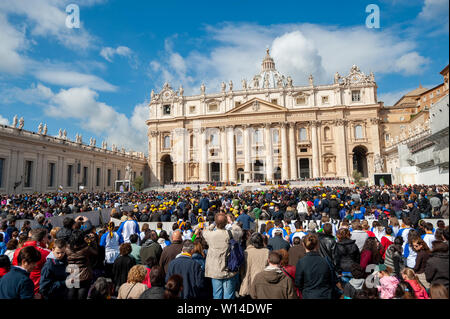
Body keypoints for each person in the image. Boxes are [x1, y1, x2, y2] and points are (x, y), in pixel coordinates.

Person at [203, 212, 243, 299]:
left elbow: (205, 231)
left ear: (216, 222)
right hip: (229, 269)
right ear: (226, 223)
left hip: (215, 270)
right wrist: (231, 222)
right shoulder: (231, 233)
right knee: (228, 296)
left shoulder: (210, 235)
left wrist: (213, 224)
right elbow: (240, 232)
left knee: (217, 295)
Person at [12, 228, 51, 296]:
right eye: (47, 237)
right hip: (38, 289)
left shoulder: (17, 251)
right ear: (43, 238)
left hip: (18, 286)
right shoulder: (46, 253)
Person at [294, 233, 334, 299]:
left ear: (303, 245)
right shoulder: (325, 261)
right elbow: (331, 280)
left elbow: (298, 283)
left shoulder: (301, 262)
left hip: (309, 294)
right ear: (317, 245)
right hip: (324, 294)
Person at [65, 230, 98, 300]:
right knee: (82, 294)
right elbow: (95, 252)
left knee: (71, 292)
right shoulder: (86, 248)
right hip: (84, 275)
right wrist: (92, 241)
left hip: (71, 273)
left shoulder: (67, 248)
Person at [239, 232, 269, 297]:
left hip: (248, 282)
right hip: (262, 282)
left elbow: (242, 269)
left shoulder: (246, 252)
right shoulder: (266, 252)